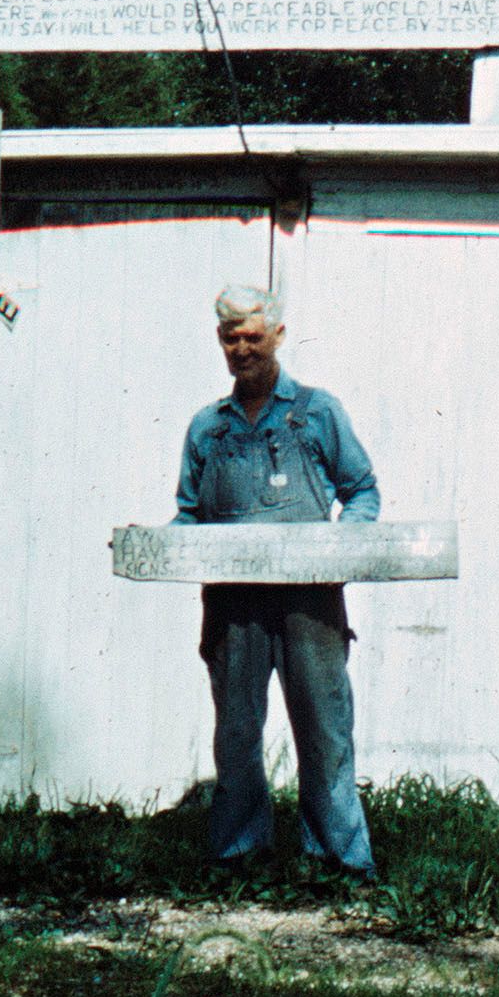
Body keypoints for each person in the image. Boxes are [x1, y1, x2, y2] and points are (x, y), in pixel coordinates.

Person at [174, 284, 380, 878]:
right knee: (236, 733)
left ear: (278, 337)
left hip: (309, 605)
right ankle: (240, 857)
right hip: (233, 607)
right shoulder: (206, 429)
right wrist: (159, 544)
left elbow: (362, 491)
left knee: (324, 731)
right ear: (220, 342)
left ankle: (340, 861)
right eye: (231, 338)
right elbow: (188, 514)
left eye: (254, 337)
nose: (242, 349)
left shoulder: (318, 413)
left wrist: (343, 543)